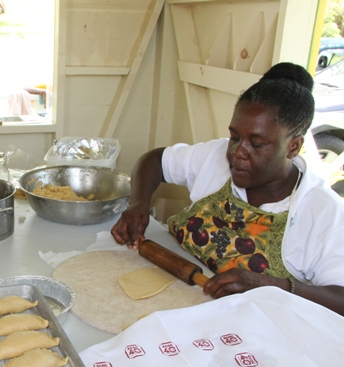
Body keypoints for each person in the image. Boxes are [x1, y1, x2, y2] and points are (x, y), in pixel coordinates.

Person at [111, 62, 344, 316]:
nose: (236, 153)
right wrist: (138, 203)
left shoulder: (323, 213)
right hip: (164, 302)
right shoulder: (213, 157)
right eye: (234, 137)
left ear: (293, 147)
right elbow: (155, 160)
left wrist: (269, 284)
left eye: (256, 144)